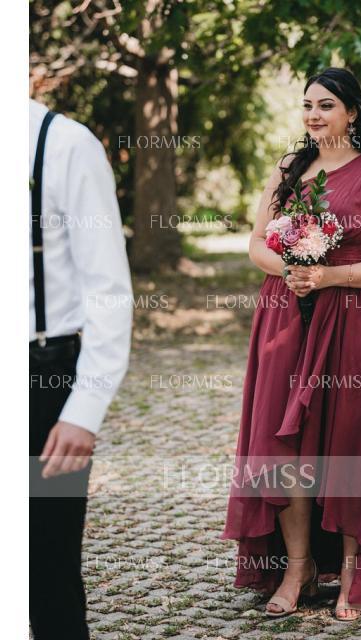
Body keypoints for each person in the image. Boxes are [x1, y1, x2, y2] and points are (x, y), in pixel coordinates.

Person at [221, 68, 361, 622]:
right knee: (280, 442)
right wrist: (291, 269)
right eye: (307, 105)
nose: (313, 115)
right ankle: (297, 567)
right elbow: (257, 243)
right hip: (284, 316)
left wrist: (329, 276)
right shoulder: (288, 169)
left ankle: (353, 571)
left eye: (326, 105)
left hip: (355, 319)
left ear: (352, 112)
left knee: (348, 440)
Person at [29, 99, 133, 639]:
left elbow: (109, 291)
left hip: (42, 380)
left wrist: (84, 409)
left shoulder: (65, 143)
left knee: (47, 567)